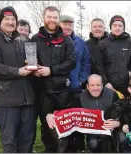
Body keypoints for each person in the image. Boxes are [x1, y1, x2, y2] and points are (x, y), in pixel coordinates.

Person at [0, 7, 36, 153]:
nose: (11, 22)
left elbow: (28, 61)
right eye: (7, 19)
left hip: (26, 97)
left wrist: (33, 66)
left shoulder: (21, 39)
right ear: (0, 21)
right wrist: (17, 71)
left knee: (27, 137)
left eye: (13, 19)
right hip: (6, 99)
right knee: (9, 139)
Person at [30, 6, 76, 153]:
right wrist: (33, 71)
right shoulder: (35, 39)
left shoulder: (66, 40)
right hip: (43, 90)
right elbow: (30, 61)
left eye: (55, 17)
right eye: (49, 17)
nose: (52, 20)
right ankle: (49, 149)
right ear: (44, 18)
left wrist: (51, 70)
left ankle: (66, 149)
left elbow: (71, 61)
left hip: (62, 89)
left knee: (64, 124)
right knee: (46, 123)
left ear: (58, 19)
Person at [58, 14, 91, 153]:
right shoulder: (54, 41)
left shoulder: (80, 42)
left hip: (76, 88)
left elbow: (86, 63)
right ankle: (63, 147)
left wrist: (81, 80)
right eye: (64, 24)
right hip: (58, 89)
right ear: (59, 25)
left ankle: (78, 146)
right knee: (63, 120)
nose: (67, 27)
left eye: (70, 24)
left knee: (77, 119)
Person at [80, 74, 124, 153]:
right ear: (87, 86)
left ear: (103, 85)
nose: (95, 88)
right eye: (92, 85)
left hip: (111, 129)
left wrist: (118, 123)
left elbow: (123, 113)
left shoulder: (112, 94)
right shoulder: (81, 97)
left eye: (98, 85)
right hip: (92, 130)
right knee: (93, 144)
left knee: (122, 138)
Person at [95, 15, 131, 97]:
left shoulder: (130, 43)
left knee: (125, 108)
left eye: (120, 25)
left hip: (125, 85)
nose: (117, 28)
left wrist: (130, 73)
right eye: (115, 25)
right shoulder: (103, 44)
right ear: (111, 27)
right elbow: (99, 66)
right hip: (109, 86)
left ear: (123, 27)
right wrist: (105, 83)